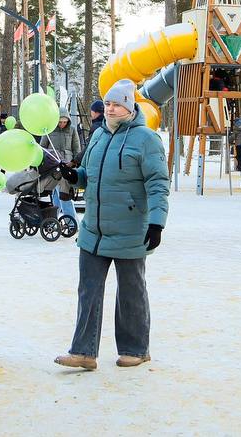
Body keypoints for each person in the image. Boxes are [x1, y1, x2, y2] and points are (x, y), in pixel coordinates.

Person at [54, 79, 168, 371]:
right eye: (107, 103)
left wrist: (157, 223)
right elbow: (89, 175)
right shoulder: (99, 136)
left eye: (117, 104)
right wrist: (73, 174)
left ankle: (135, 348)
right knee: (88, 291)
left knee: (131, 292)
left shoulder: (147, 139)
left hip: (131, 228)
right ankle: (83, 351)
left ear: (130, 107)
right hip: (94, 228)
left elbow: (158, 184)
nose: (111, 108)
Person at [44, 112, 82, 221]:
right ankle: (69, 222)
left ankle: (54, 220)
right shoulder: (49, 129)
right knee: (62, 194)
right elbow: (43, 147)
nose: (62, 124)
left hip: (67, 165)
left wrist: (75, 163)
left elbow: (76, 148)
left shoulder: (72, 130)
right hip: (53, 165)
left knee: (61, 194)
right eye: (60, 122)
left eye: (65, 122)